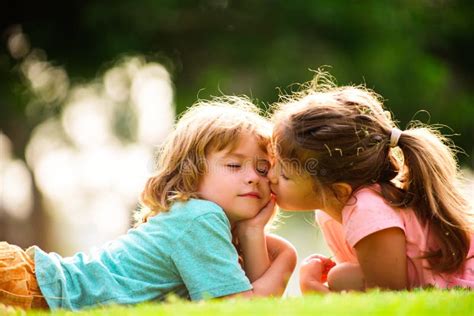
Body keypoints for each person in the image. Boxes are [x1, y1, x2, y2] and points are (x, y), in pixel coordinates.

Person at [0, 96, 297, 310]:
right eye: (234, 166)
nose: (253, 178)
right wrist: (287, 259)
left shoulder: (207, 222)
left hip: (43, 289)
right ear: (191, 172)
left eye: (262, 168)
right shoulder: (200, 217)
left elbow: (253, 300)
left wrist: (252, 232)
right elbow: (241, 308)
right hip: (38, 287)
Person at [268, 71, 474, 293]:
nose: (270, 176)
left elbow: (390, 296)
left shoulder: (366, 209)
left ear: (338, 191)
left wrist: (317, 291)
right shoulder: (330, 210)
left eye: (285, 175)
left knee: (340, 276)